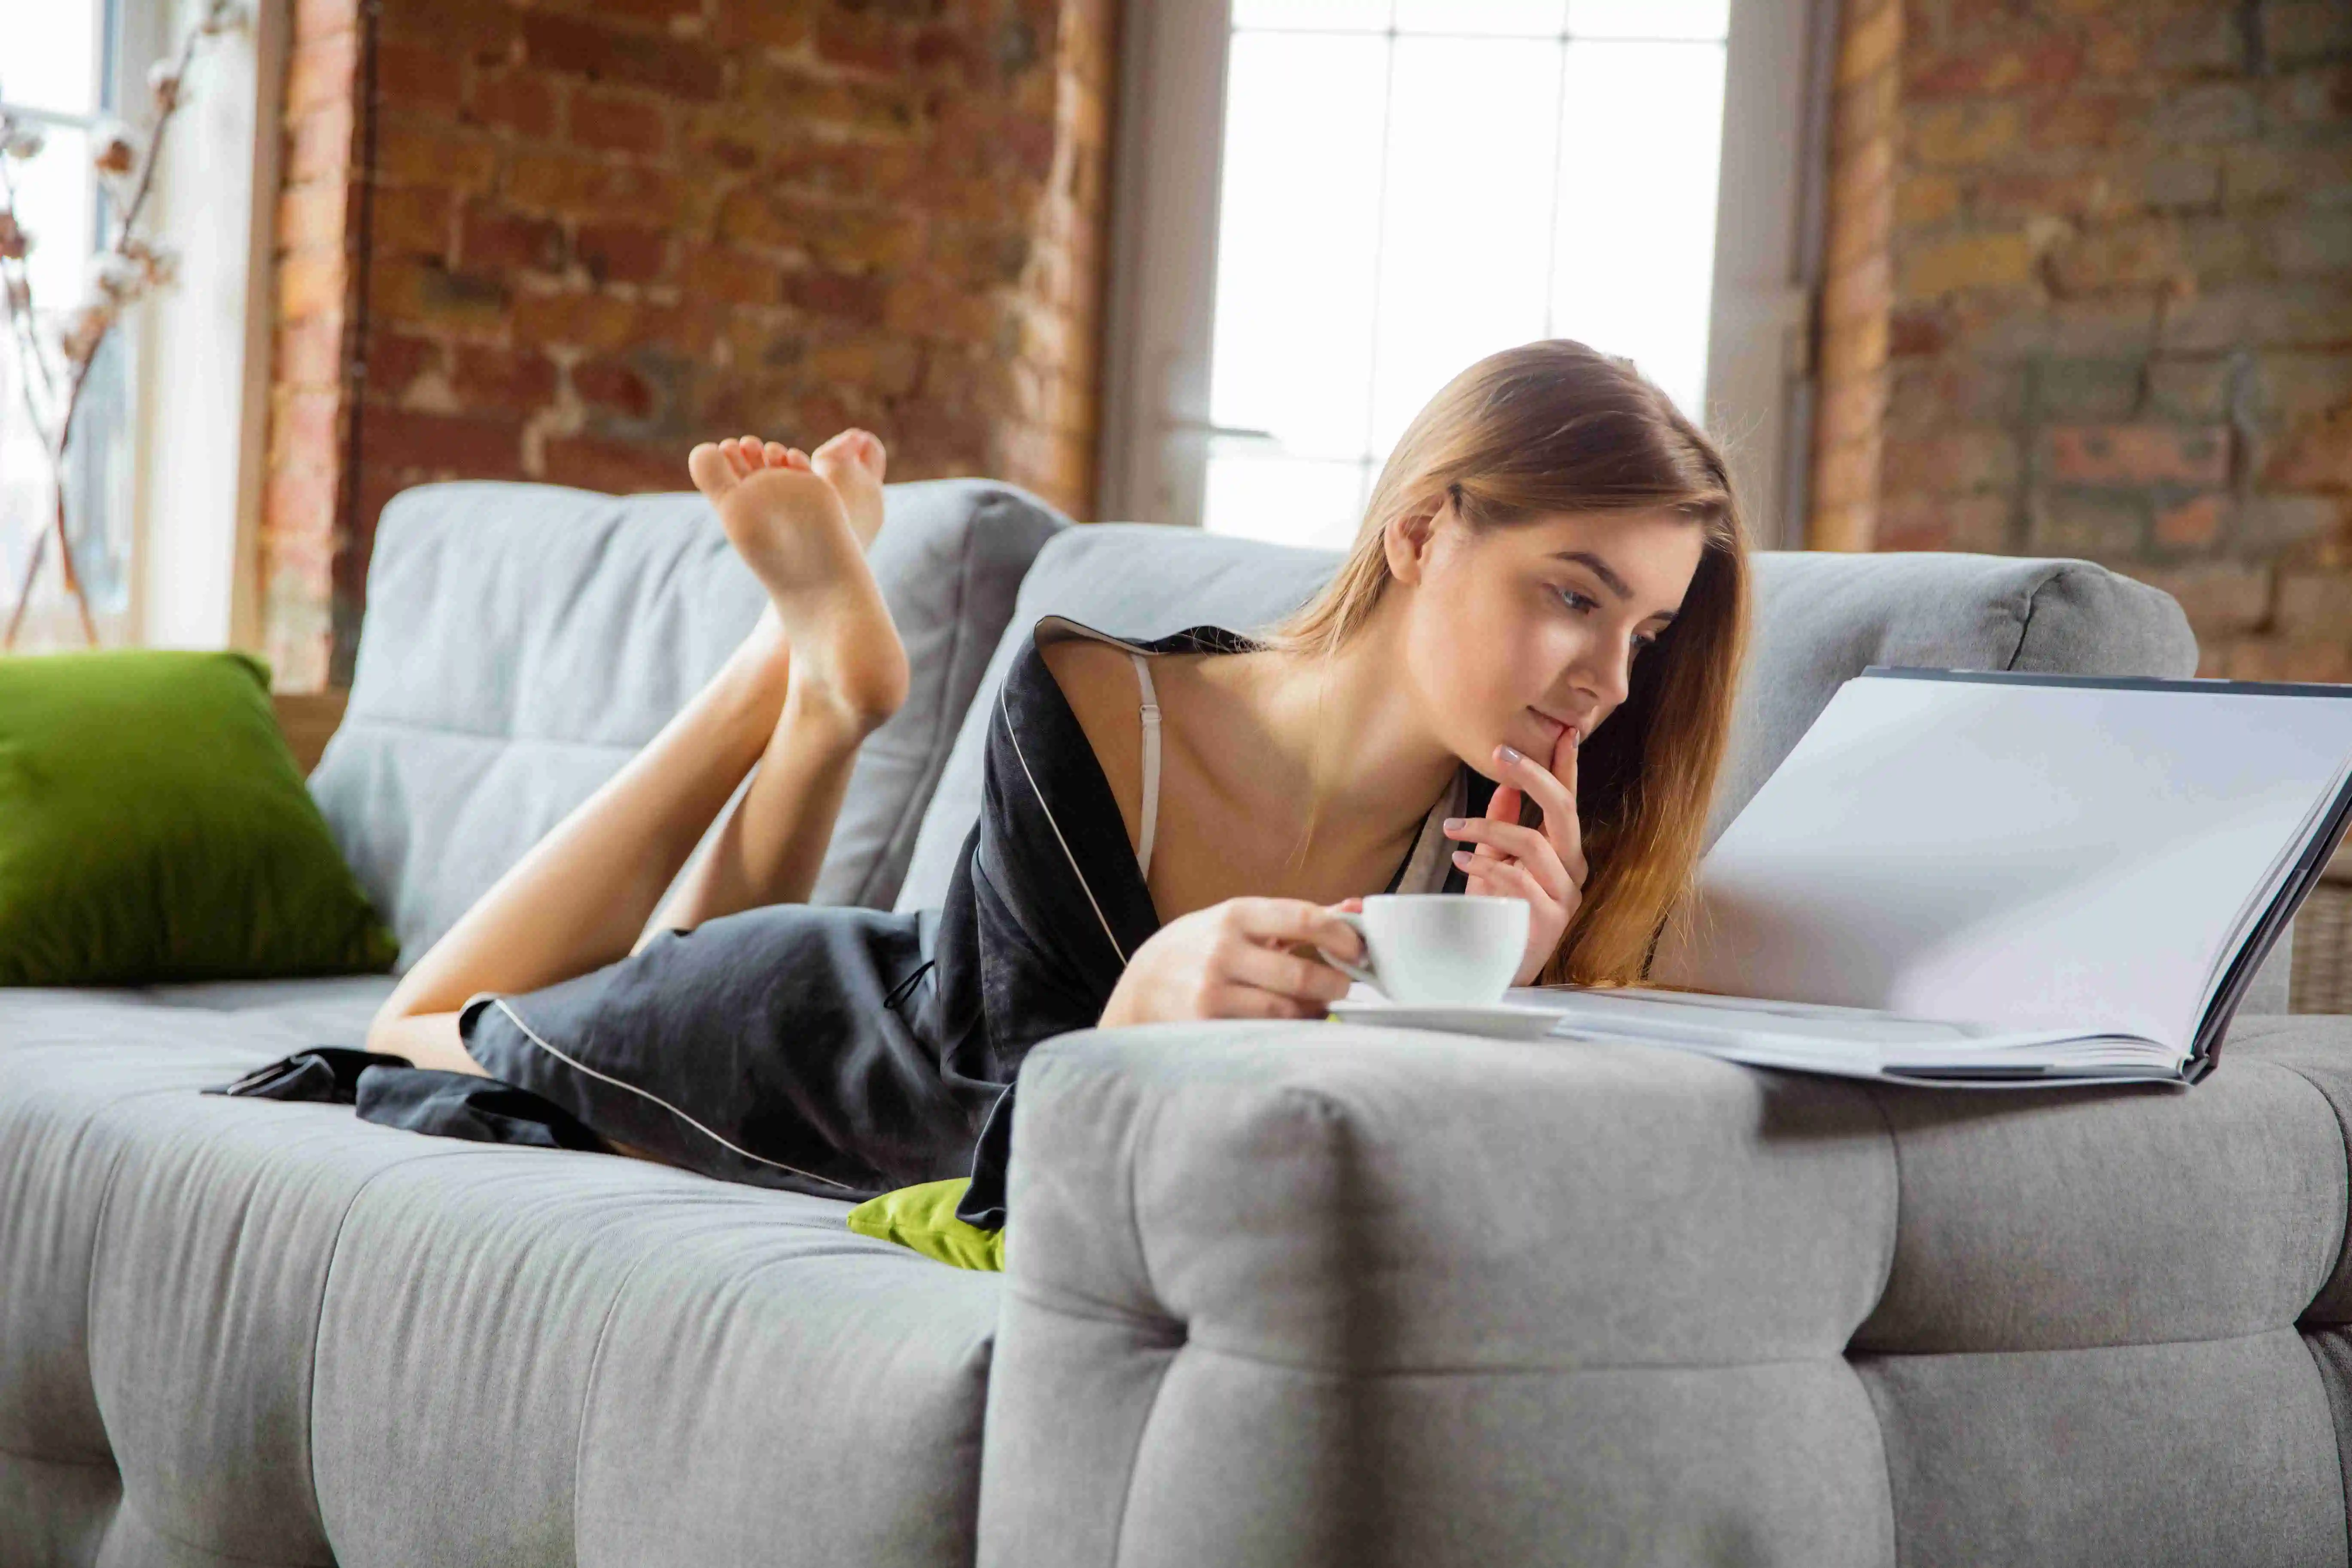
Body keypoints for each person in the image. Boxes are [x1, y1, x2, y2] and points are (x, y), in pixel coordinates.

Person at [353, 338, 1753, 1227]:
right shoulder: (1099, 694)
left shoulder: (1496, 867)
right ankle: (769, 687)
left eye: (1642, 632)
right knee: (408, 1027)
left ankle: (827, 694)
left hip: (859, 1038)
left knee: (667, 949)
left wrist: (1519, 991)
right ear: (1420, 533)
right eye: (1572, 596)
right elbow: (1003, 1120)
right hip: (813, 1031)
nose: (1610, 681)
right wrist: (1141, 1007)